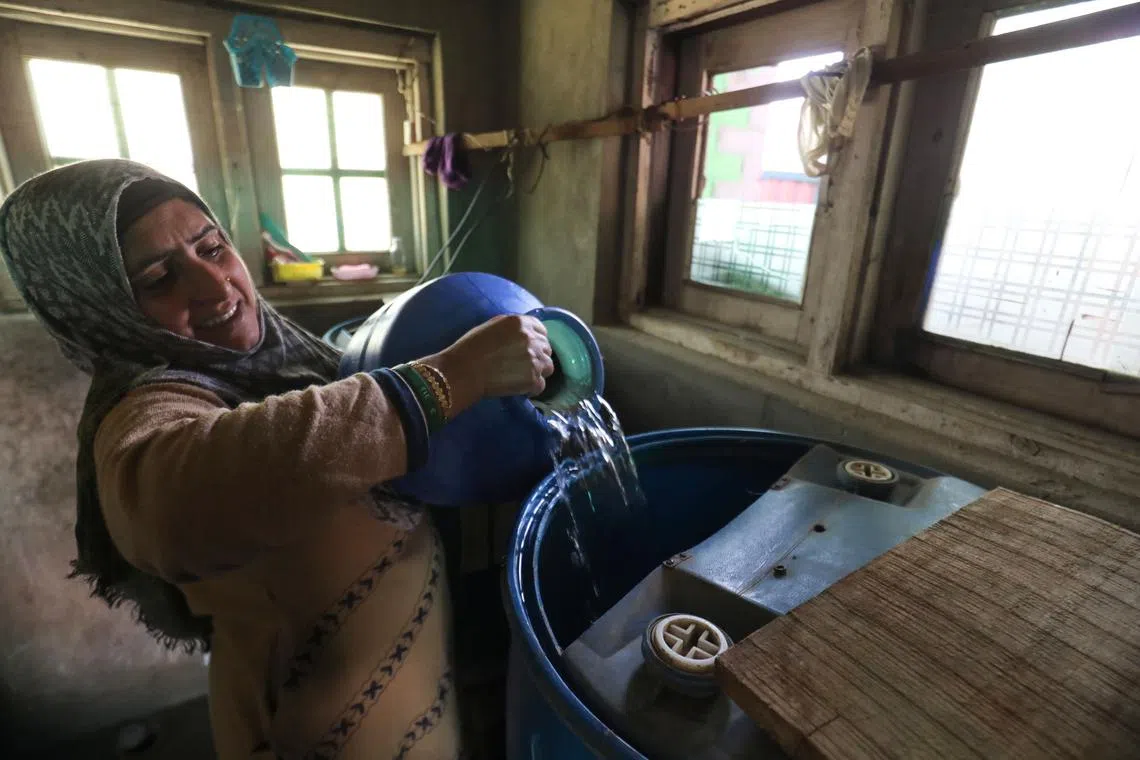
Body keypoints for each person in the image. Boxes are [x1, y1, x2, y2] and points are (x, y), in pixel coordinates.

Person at [0, 159, 554, 759]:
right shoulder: (146, 409)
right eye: (159, 279)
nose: (215, 287)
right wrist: (447, 380)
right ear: (96, 307)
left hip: (419, 703)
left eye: (212, 248)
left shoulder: (290, 359)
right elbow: (173, 507)